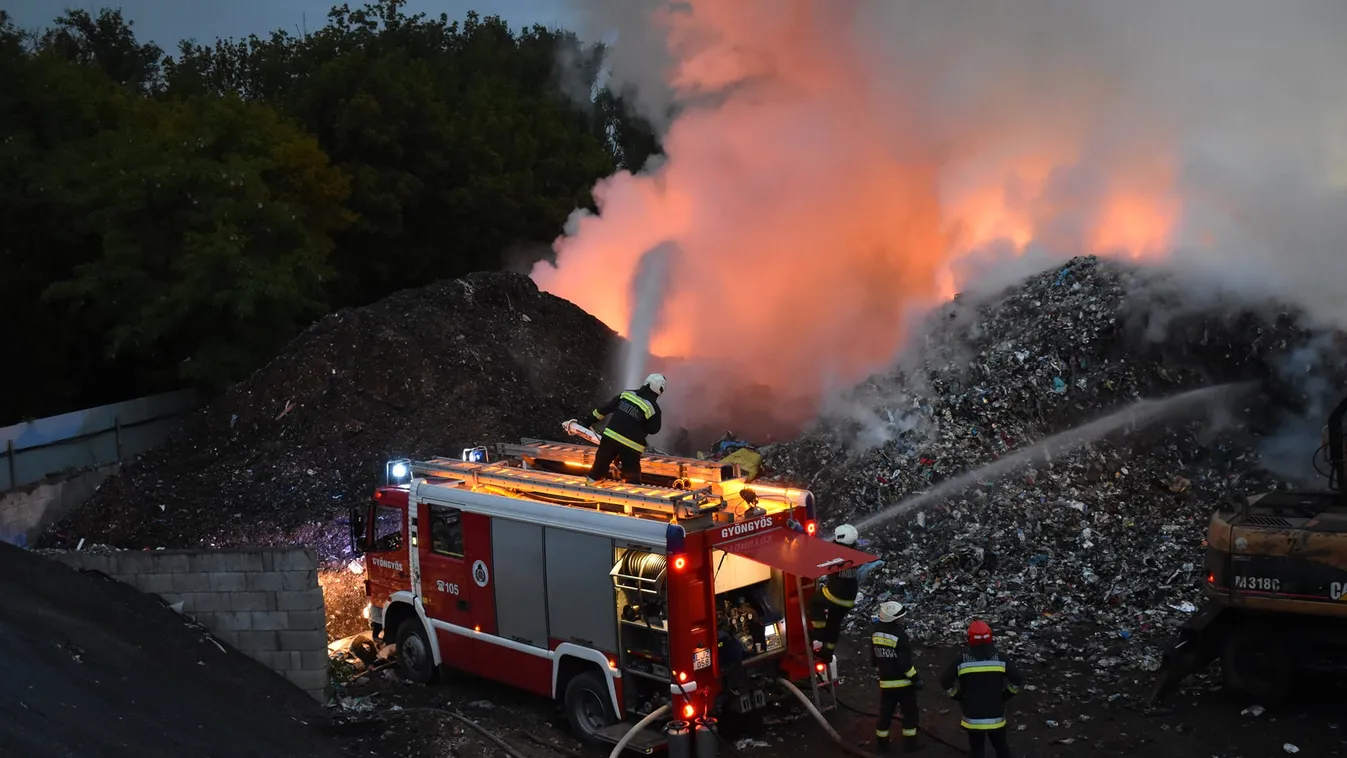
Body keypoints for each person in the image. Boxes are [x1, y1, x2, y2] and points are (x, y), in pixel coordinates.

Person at [939, 620, 1024, 758]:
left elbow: (945, 680)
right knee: (1001, 747)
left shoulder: (963, 661)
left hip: (973, 718)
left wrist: (957, 696)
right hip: (996, 716)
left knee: (977, 749)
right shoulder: (1001, 659)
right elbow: (1017, 679)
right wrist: (1006, 694)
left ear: (970, 639)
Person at [807, 524, 883, 663]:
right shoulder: (854, 551)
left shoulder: (836, 551)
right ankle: (827, 653)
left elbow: (815, 546)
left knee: (815, 602)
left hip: (836, 592)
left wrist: (801, 530)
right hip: (849, 596)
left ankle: (819, 632)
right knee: (834, 622)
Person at [574, 373, 665, 485]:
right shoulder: (654, 409)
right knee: (632, 479)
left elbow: (604, 409)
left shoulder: (626, 394)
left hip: (610, 439)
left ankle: (588, 491)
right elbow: (654, 429)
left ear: (647, 383)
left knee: (598, 470)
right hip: (632, 447)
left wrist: (587, 422)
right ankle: (631, 499)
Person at [871, 601, 922, 754]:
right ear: (893, 619)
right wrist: (916, 679)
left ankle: (883, 746)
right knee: (910, 714)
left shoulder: (876, 633)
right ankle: (910, 746)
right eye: (900, 617)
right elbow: (905, 664)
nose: (902, 620)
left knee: (885, 714)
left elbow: (874, 659)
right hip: (903, 685)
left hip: (886, 684)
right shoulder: (900, 635)